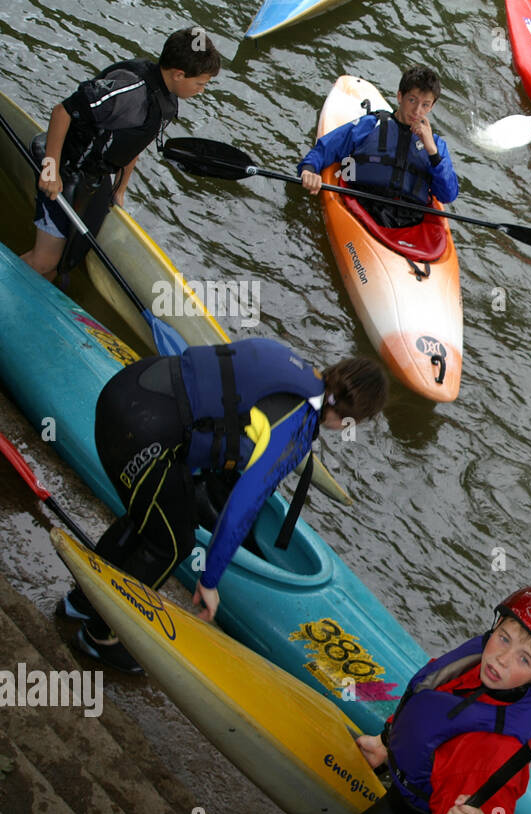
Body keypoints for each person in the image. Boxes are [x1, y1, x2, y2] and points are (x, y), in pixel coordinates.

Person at [63, 339, 389, 673]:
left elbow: (212, 401)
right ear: (351, 419)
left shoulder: (291, 362)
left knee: (152, 518)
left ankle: (81, 601)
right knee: (172, 543)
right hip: (144, 432)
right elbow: (240, 509)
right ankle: (101, 635)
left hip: (130, 386)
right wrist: (209, 580)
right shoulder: (297, 427)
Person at [313, 586, 531, 814]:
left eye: (524, 659)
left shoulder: (497, 747)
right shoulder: (478, 662)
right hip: (397, 802)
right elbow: (431, 702)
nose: (502, 659)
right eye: (504, 638)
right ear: (496, 625)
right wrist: (386, 742)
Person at [21, 26, 221, 280]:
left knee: (62, 262)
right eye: (200, 83)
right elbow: (63, 111)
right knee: (44, 261)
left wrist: (120, 188)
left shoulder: (164, 97)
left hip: (94, 175)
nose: (201, 90)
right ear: (179, 74)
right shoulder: (129, 90)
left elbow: (134, 144)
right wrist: (50, 171)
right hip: (64, 167)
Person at [298, 66, 458, 230]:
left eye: (425, 105)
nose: (417, 111)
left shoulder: (436, 145)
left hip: (408, 222)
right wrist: (309, 170)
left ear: (431, 107)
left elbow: (448, 195)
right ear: (400, 96)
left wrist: (432, 152)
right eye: (412, 100)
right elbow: (326, 148)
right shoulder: (371, 124)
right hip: (363, 206)